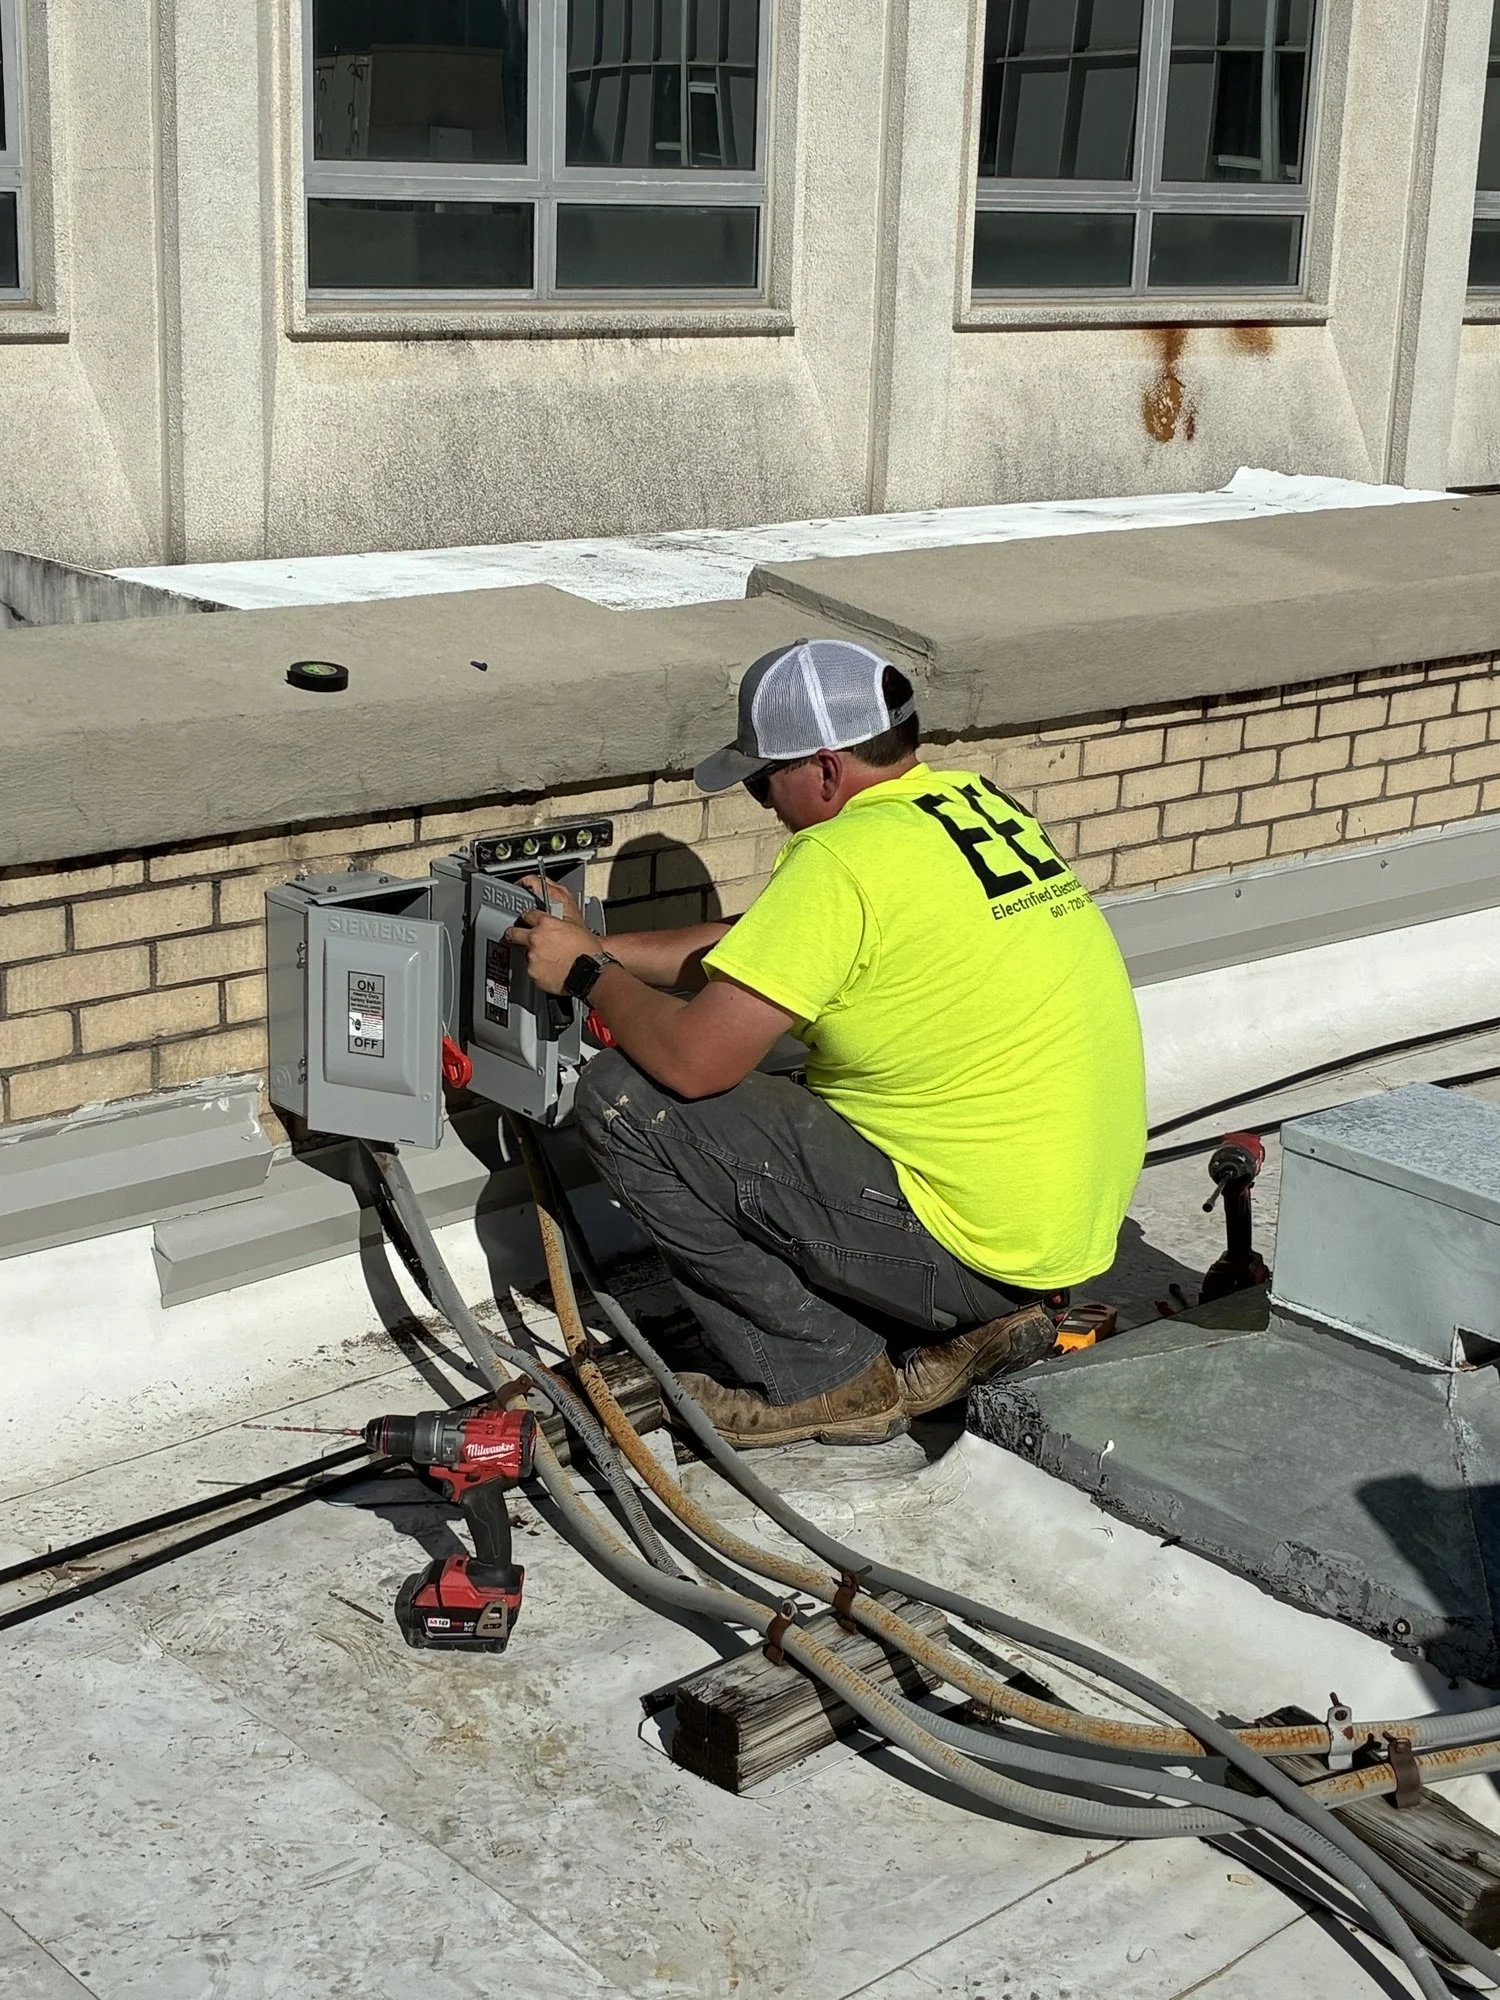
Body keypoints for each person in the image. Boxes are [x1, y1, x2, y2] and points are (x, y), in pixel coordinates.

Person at [506, 637, 1146, 1450]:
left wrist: (591, 976)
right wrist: (605, 948)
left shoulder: (837, 859)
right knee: (781, 1060)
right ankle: (965, 1313)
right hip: (1057, 1238)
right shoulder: (968, 805)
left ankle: (823, 1372)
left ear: (823, 768)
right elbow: (764, 945)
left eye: (762, 779)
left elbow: (693, 1064)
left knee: (626, 1098)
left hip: (974, 1250)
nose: (762, 803)